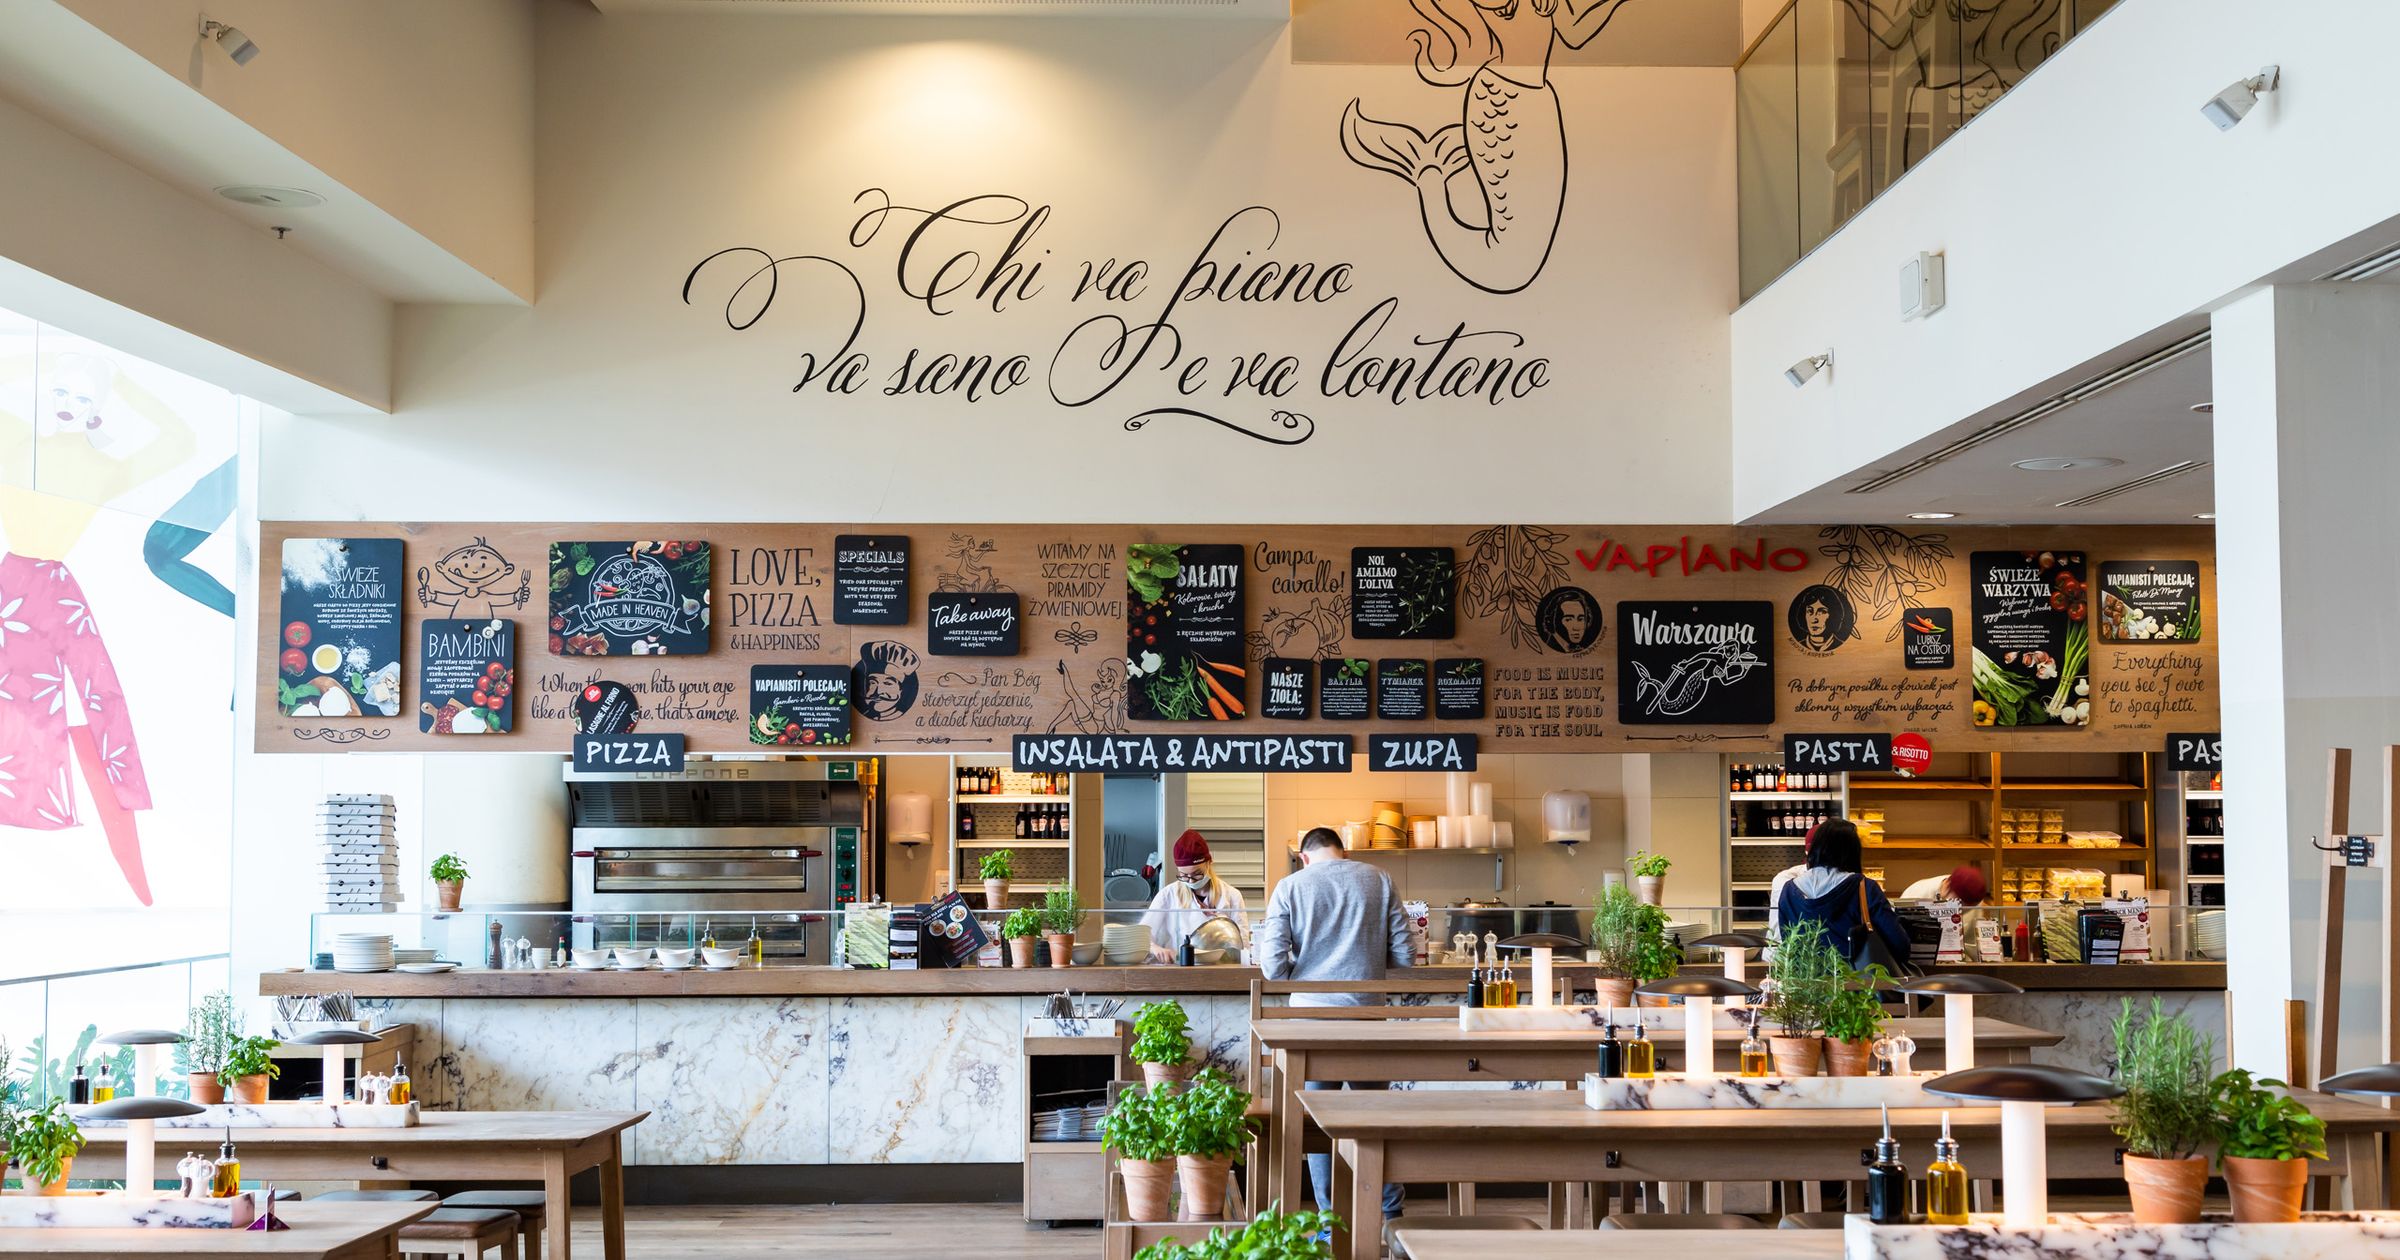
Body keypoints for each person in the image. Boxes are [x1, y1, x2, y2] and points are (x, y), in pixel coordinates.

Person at [1256, 827, 1412, 1221]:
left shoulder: (1290, 886)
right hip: (1367, 1018)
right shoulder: (1379, 879)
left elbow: (1272, 967)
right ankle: (1390, 1214)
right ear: (1343, 852)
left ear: (1304, 857)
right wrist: (1366, 962)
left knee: (1316, 1122)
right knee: (1376, 1117)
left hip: (1311, 1024)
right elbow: (1406, 956)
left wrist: (1302, 972)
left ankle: (1329, 1220)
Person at [1774, 818, 1911, 967]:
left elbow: (1788, 942)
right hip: (1856, 979)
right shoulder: (1864, 887)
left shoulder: (1789, 890)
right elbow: (1899, 944)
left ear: (1815, 849)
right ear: (1852, 852)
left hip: (1805, 979)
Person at [1138, 829, 1250, 963]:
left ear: (1209, 863)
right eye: (1184, 875)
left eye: (1197, 874)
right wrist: (1155, 948)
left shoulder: (1231, 895)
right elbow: (1142, 935)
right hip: (1179, 968)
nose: (1191, 880)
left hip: (1221, 968)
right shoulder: (1168, 895)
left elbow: (1242, 943)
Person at [1899, 864, 1989, 906]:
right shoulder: (1916, 894)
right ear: (1946, 885)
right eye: (1960, 904)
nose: (1962, 910)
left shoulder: (1974, 896)